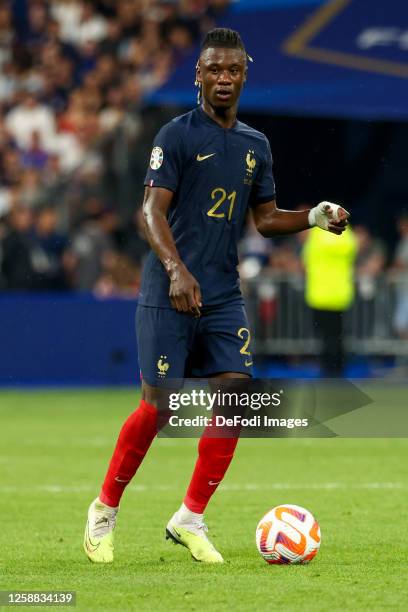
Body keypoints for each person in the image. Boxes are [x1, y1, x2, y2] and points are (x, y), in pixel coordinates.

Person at [83, 28, 348, 565]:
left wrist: (313, 217)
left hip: (222, 293)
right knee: (157, 408)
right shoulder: (175, 136)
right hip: (169, 288)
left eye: (233, 71)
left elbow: (267, 219)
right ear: (198, 74)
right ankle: (104, 509)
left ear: (244, 75)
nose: (223, 79)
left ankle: (190, 517)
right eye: (214, 70)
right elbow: (151, 212)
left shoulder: (255, 145)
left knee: (236, 397)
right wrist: (176, 270)